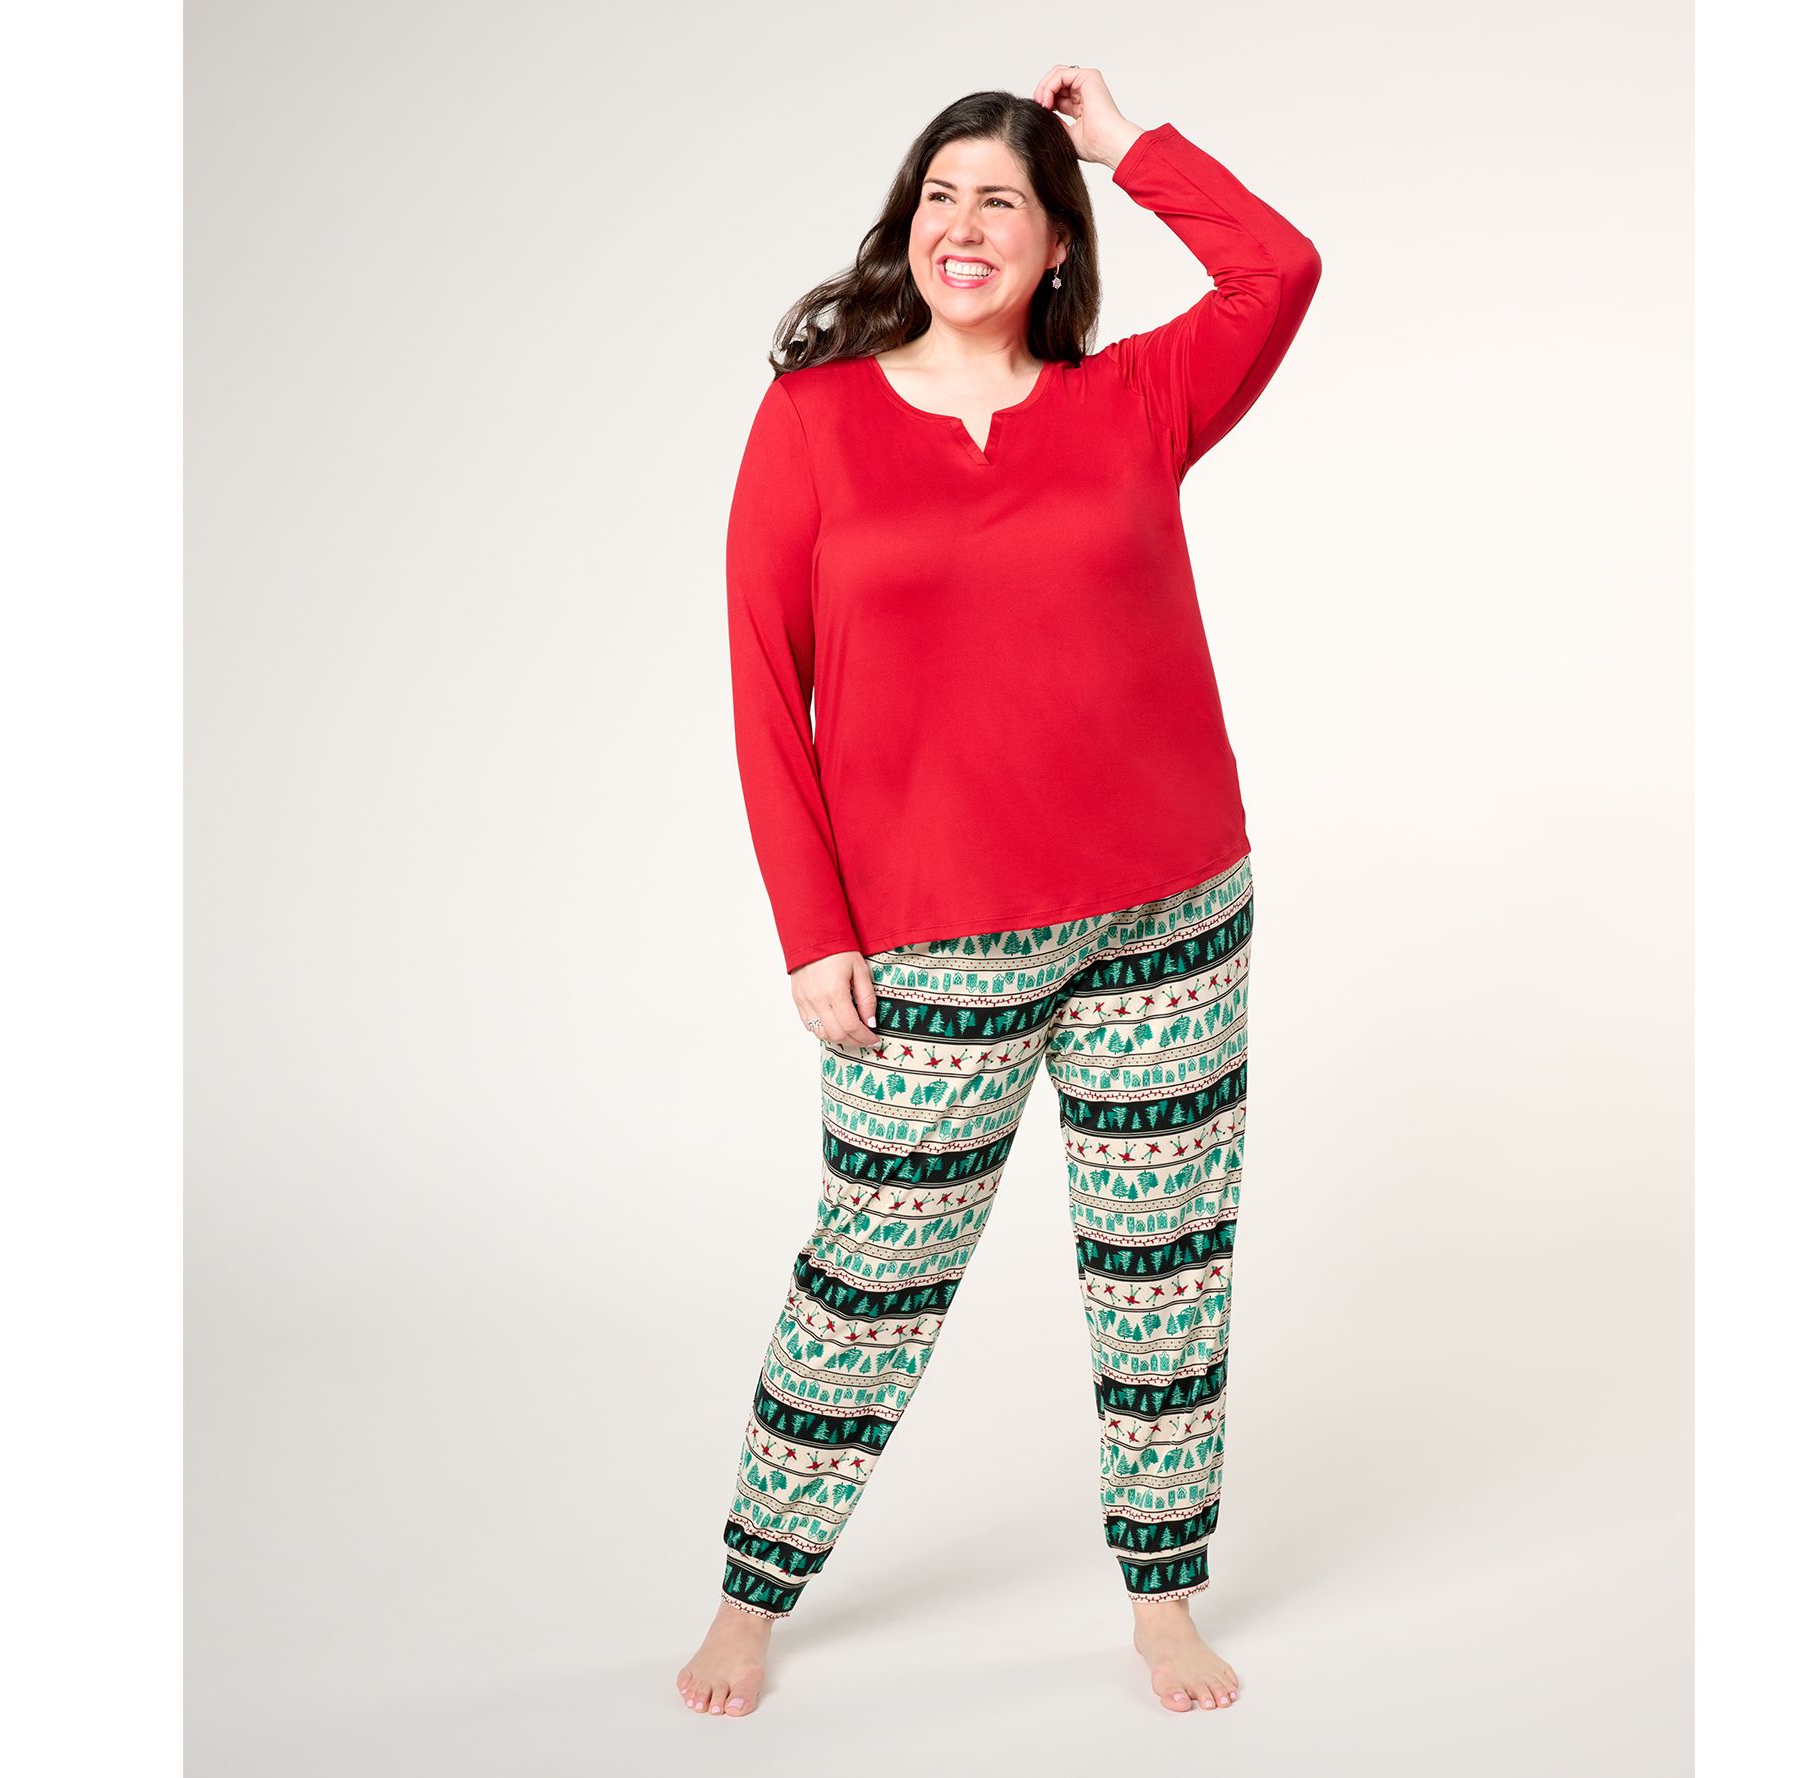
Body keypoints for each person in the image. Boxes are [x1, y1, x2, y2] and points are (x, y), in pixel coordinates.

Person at [678, 63, 1322, 1718]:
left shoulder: (1133, 402)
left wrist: (1129, 141)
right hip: (935, 938)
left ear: (1055, 244)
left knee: (1164, 1269)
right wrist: (815, 932)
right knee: (869, 1274)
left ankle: (1164, 1600)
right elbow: (763, 689)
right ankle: (752, 1596)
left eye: (1005, 200)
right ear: (909, 221)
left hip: (1171, 911)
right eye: (942, 194)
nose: (963, 225)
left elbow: (1279, 269)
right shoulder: (813, 418)